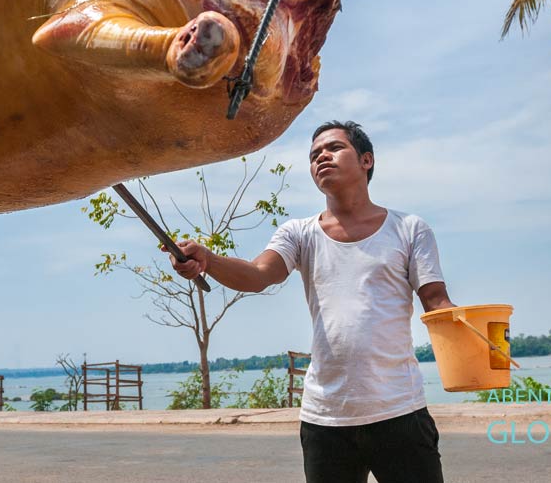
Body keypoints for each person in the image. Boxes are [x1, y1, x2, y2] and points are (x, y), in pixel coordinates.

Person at [166, 120, 456, 483]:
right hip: (326, 418)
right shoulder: (299, 233)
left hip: (399, 410)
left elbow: (436, 301)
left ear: (366, 160)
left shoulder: (410, 229)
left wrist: (479, 345)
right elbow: (258, 275)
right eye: (314, 154)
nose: (322, 157)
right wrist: (208, 260)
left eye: (333, 148)